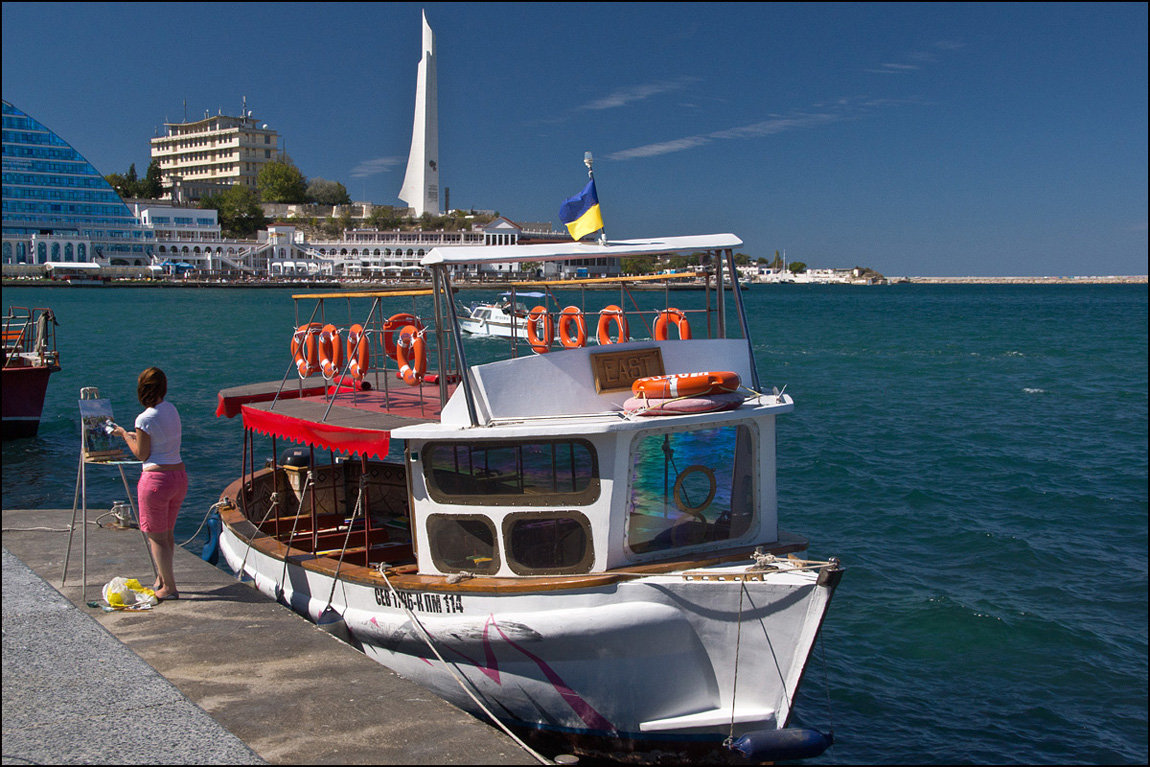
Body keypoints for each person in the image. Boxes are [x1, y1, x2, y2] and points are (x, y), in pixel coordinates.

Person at [112, 367, 186, 601]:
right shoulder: (171, 409)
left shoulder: (143, 418)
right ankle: (162, 579)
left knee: (156, 537)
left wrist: (125, 435)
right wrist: (133, 435)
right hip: (178, 476)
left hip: (156, 481)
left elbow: (142, 454)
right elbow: (160, 442)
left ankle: (169, 587)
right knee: (168, 535)